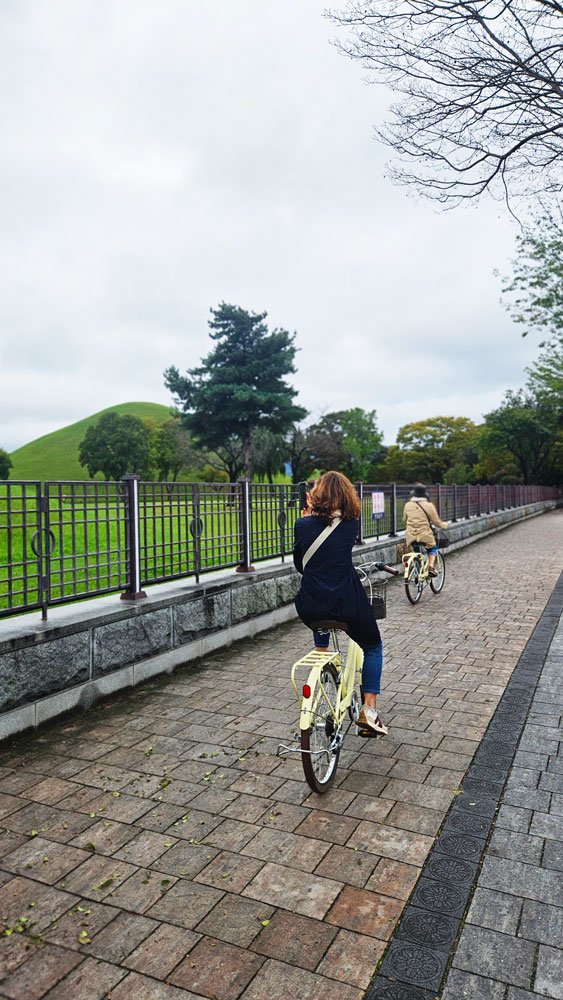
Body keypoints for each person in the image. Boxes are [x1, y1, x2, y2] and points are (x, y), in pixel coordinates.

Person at [293, 470, 388, 736]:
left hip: (310, 605)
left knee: (318, 609)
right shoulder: (351, 524)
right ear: (347, 496)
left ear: (316, 495)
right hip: (347, 603)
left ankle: (322, 656)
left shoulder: (301, 525)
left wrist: (309, 515)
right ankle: (369, 712)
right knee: (372, 646)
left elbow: (300, 565)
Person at [403, 483, 448, 576]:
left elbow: (404, 519)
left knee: (416, 551)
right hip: (425, 535)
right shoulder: (429, 505)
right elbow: (436, 522)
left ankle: (417, 570)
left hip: (411, 535)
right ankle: (431, 566)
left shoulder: (407, 505)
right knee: (433, 548)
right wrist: (445, 525)